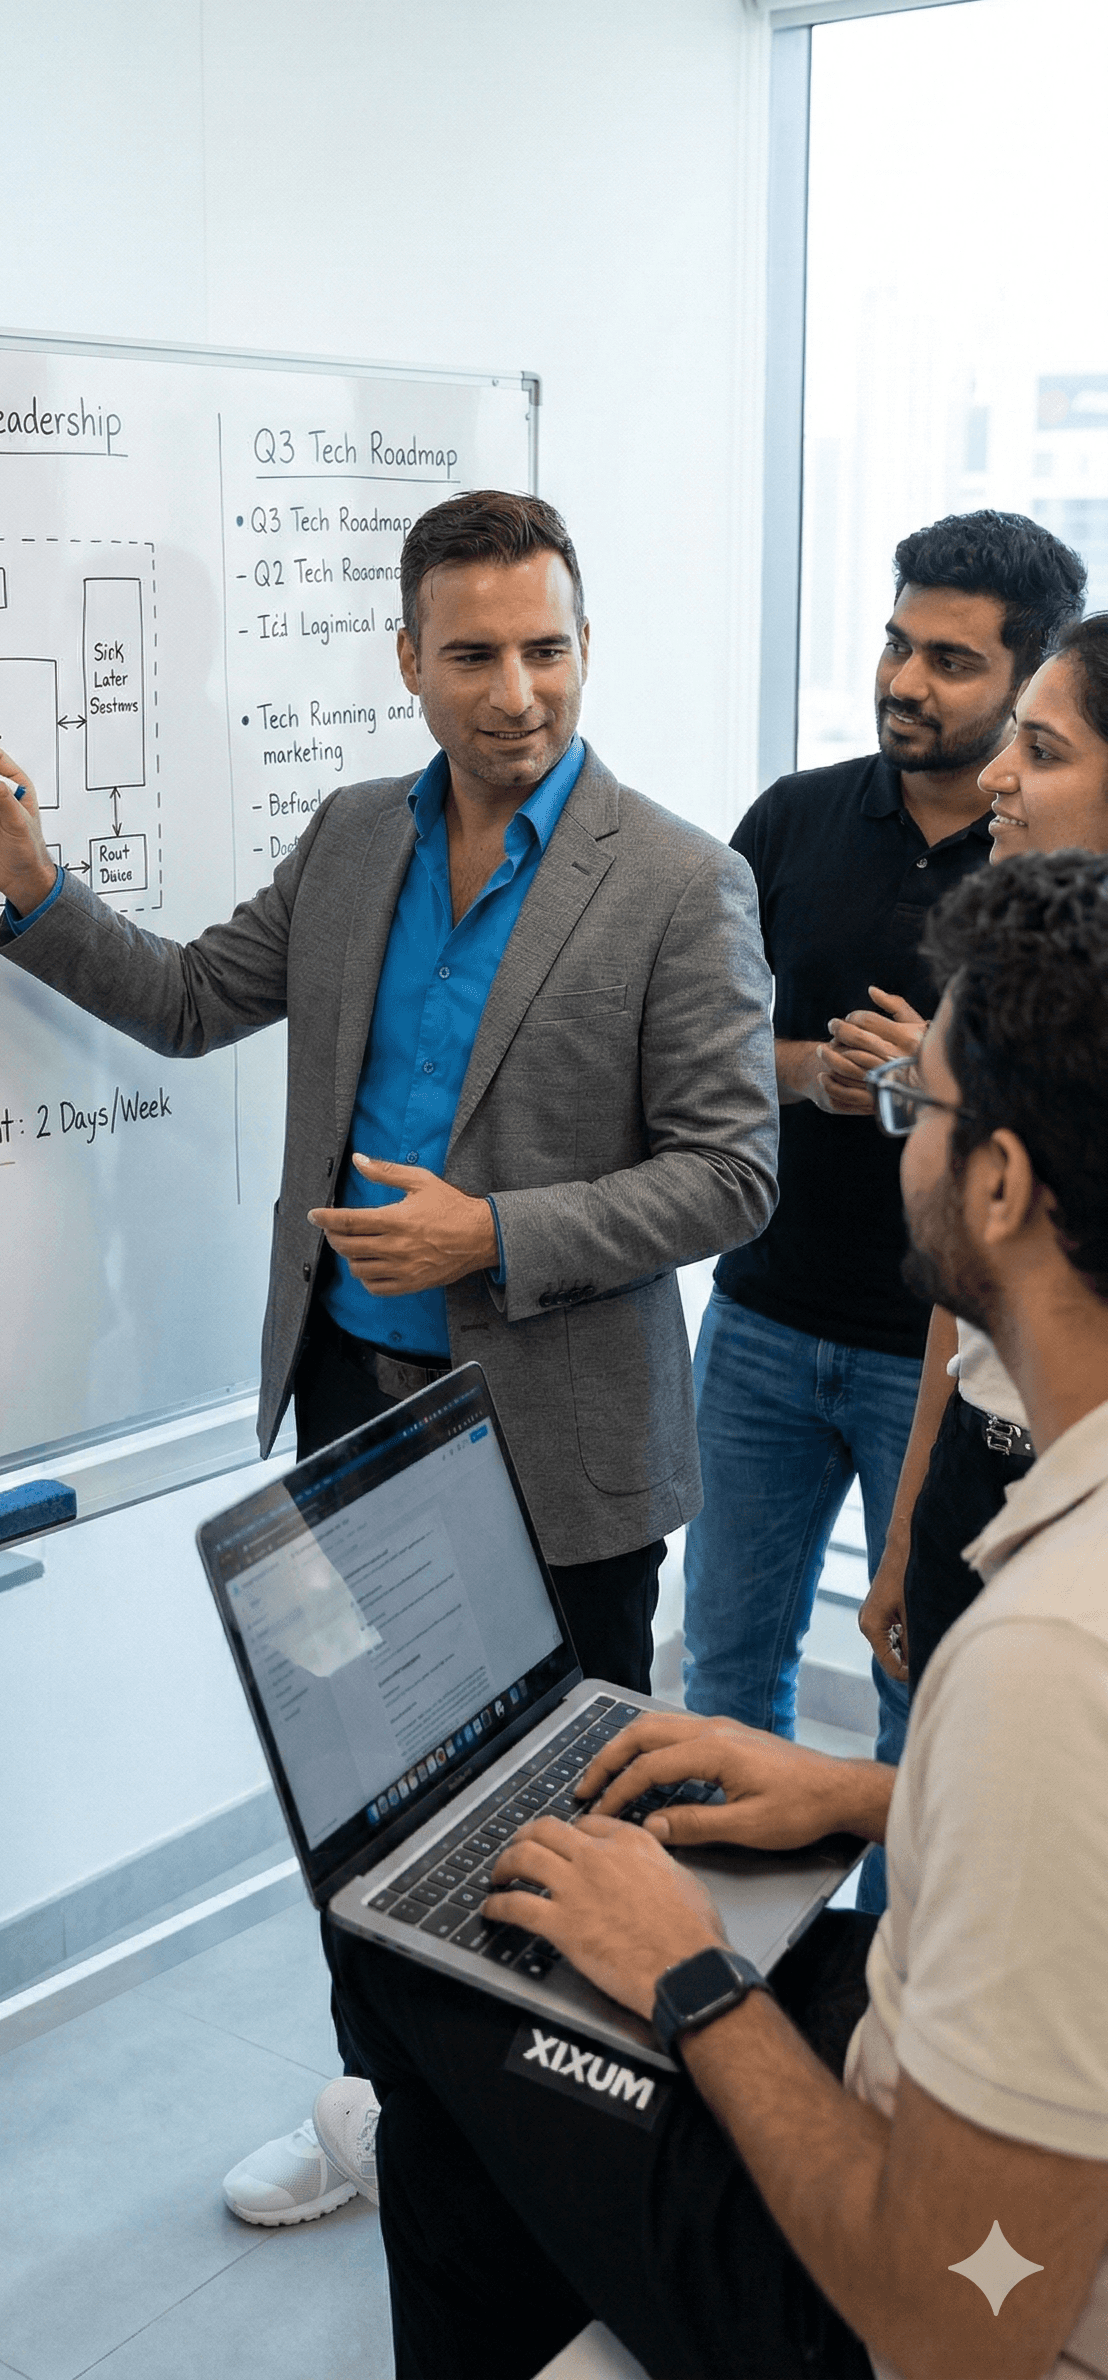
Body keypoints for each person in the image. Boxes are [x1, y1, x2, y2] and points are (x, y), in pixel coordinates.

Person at [0, 488, 778, 2223]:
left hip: (563, 1449)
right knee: (367, 1816)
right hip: (354, 1417)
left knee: (564, 1830)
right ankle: (390, 2115)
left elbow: (735, 1170)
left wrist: (497, 1235)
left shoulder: (680, 880)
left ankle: (564, 2165)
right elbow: (188, 998)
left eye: (545, 647)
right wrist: (34, 887)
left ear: (584, 647)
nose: (515, 688)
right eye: (472, 652)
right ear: (408, 660)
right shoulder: (348, 843)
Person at [326, 847, 1108, 2380]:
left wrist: (689, 1976)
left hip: (903, 2307)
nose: (897, 1146)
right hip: (963, 2109)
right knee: (478, 2094)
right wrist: (874, 1793)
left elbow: (959, 2327)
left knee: (416, 1970)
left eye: (916, 1110)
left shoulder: (1043, 1657)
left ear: (1002, 1184)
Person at [682, 508, 1084, 1910]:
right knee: (727, 1677)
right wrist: (812, 1074)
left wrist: (931, 1087)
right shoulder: (792, 821)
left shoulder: (1049, 884)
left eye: (957, 664)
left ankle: (879, 2007)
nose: (908, 680)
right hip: (763, 1325)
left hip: (962, 1365)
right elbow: (693, 1055)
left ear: (1026, 680)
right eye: (898, 644)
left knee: (931, 1716)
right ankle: (721, 1983)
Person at [859, 611, 1108, 1693]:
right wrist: (914, 1517)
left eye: (1043, 751)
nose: (998, 776)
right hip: (982, 1460)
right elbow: (965, 1315)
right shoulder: (994, 978)